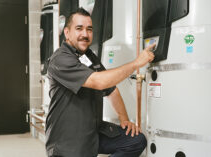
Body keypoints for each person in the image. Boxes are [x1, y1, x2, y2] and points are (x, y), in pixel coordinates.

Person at [45, 8, 155, 157]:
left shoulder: (89, 56)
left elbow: (111, 89)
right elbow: (99, 82)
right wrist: (136, 63)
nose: (85, 34)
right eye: (79, 29)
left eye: (89, 29)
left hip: (92, 132)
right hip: (67, 142)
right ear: (67, 32)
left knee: (135, 141)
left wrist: (124, 119)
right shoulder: (61, 59)